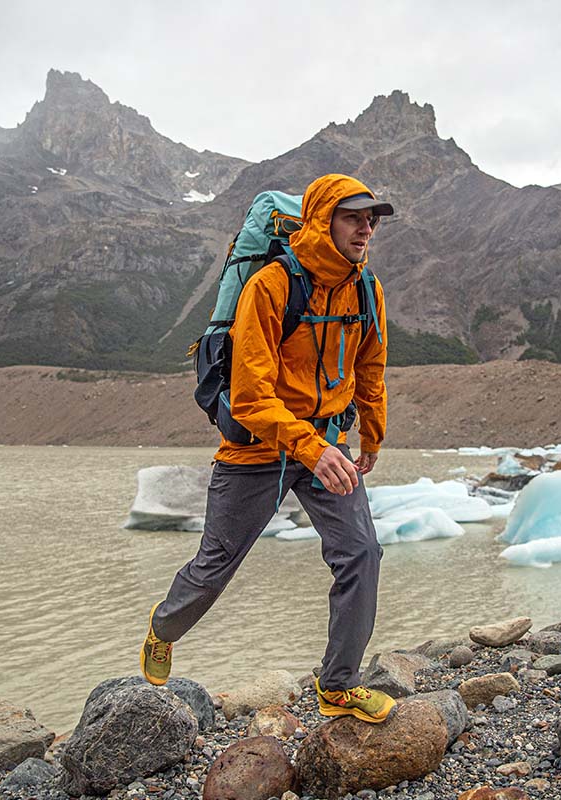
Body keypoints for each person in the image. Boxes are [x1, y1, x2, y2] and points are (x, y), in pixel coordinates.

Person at [141, 173, 395, 723]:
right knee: (215, 564)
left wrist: (370, 433)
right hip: (260, 448)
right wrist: (309, 447)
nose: (367, 228)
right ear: (322, 220)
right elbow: (252, 397)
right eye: (355, 217)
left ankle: (338, 685)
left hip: (327, 443)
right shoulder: (272, 285)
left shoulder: (365, 289)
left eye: (371, 218)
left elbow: (369, 368)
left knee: (362, 554)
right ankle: (164, 629)